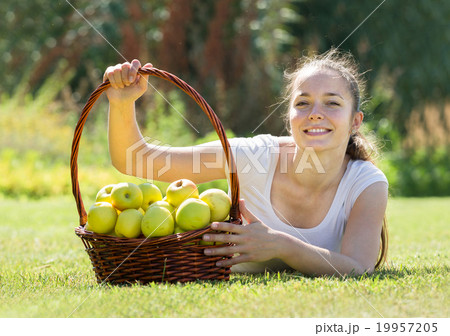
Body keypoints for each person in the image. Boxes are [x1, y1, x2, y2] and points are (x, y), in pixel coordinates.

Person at [103, 48, 388, 276]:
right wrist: (121, 104)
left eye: (332, 103)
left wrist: (282, 245)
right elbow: (138, 160)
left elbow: (358, 267)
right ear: (289, 119)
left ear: (355, 122)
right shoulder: (254, 157)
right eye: (302, 103)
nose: (315, 113)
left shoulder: (366, 183)